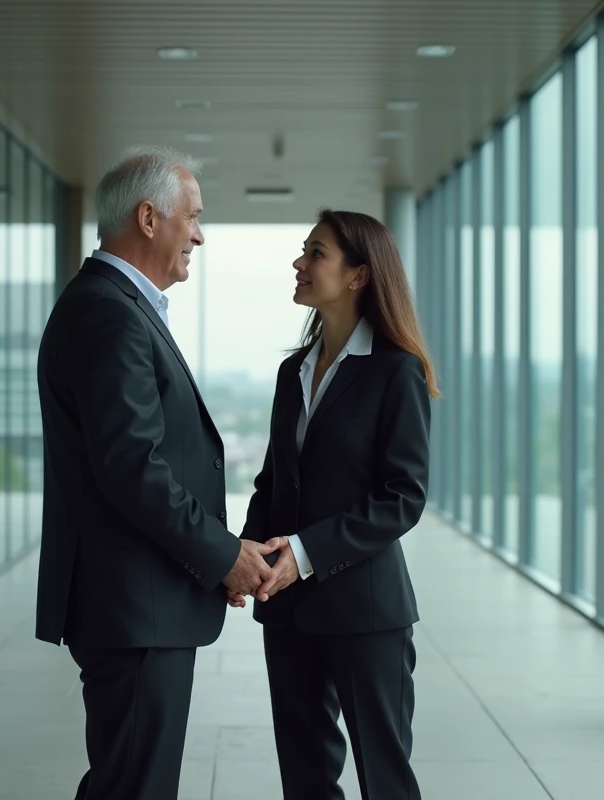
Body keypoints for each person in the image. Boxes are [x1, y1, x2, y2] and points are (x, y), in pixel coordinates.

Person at [35, 145, 278, 800]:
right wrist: (222, 556)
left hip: (139, 600)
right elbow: (133, 467)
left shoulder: (113, 304)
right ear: (149, 218)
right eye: (192, 217)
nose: (199, 235)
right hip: (134, 607)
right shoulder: (109, 312)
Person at [232, 209, 439, 799]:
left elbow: (403, 497)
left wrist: (303, 553)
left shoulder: (397, 372)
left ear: (358, 275)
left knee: (385, 779)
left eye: (315, 253)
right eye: (304, 250)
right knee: (304, 780)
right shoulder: (291, 371)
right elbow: (274, 481)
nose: (299, 262)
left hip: (366, 611)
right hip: (287, 611)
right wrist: (243, 555)